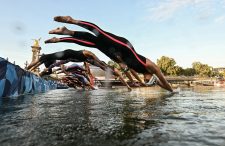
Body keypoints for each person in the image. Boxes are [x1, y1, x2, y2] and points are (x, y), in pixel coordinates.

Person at [45, 16, 173, 92]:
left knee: (93, 42)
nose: (145, 80)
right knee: (100, 33)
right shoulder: (151, 67)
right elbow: (163, 81)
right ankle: (72, 21)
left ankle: (66, 33)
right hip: (124, 46)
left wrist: (130, 78)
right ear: (152, 76)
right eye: (148, 80)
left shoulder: (141, 72)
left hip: (116, 56)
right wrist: (171, 90)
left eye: (146, 81)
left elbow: (156, 82)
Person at [27, 49, 132, 91]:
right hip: (72, 60)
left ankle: (34, 70)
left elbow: (96, 62)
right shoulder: (73, 61)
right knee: (60, 66)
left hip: (76, 65)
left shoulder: (85, 60)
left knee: (99, 66)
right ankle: (32, 70)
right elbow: (59, 64)